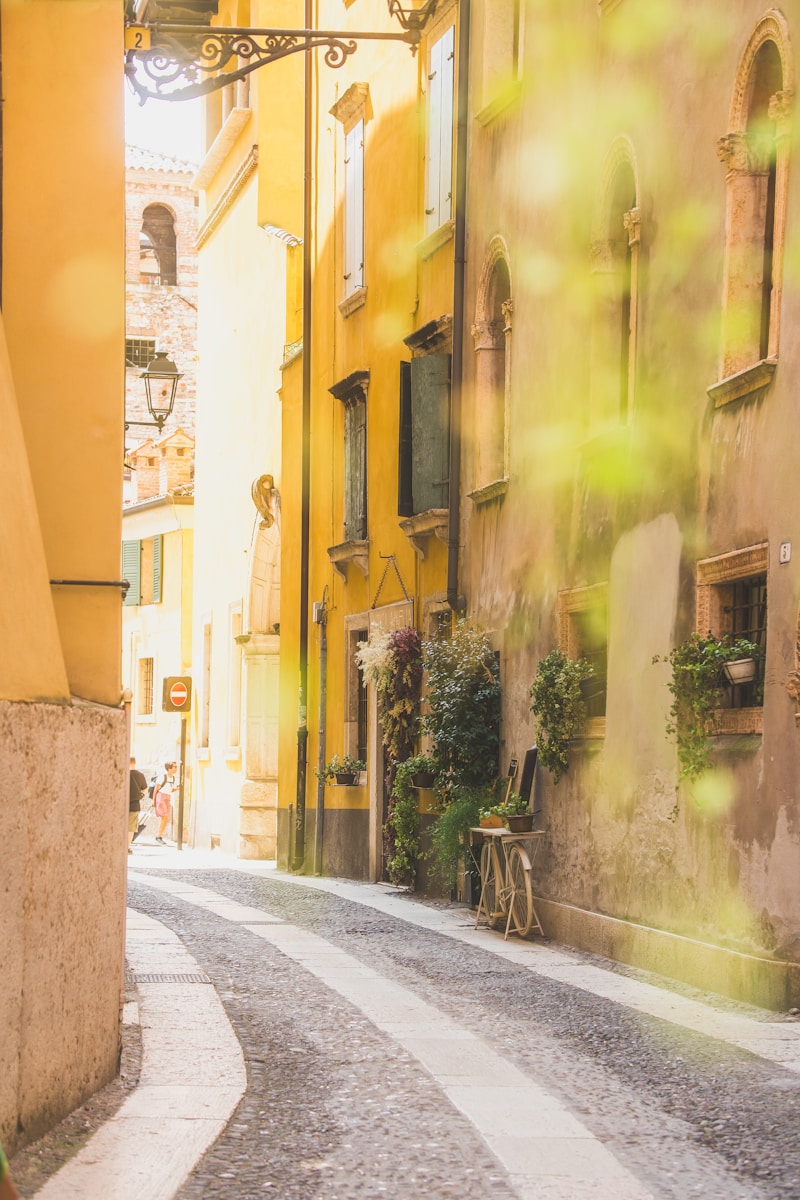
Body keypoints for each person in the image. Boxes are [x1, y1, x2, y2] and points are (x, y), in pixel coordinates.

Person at [153, 761, 178, 845]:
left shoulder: (173, 778)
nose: (176, 768)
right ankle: (158, 836)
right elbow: (155, 790)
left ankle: (159, 836)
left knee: (165, 818)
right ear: (169, 768)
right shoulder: (162, 777)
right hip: (161, 797)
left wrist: (178, 788)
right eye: (174, 767)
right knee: (165, 817)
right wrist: (153, 801)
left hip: (168, 797)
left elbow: (171, 789)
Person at [128, 756, 148, 855]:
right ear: (134, 763)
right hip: (134, 805)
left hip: (121, 805)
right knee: (131, 828)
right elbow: (145, 789)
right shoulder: (140, 775)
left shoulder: (121, 772)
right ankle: (127, 848)